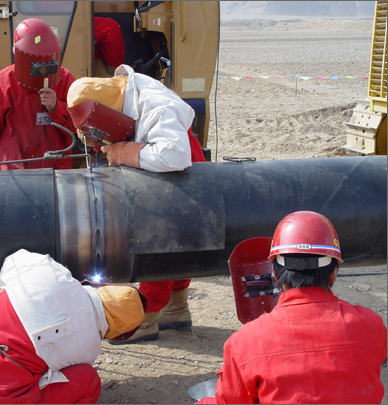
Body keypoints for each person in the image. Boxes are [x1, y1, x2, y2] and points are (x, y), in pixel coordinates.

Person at [66, 64, 206, 343]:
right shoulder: (124, 92)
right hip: (179, 170)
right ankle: (176, 307)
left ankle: (147, 316)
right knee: (179, 241)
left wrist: (123, 152)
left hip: (180, 169)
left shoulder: (156, 107)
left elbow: (174, 155)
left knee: (161, 240)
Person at [197, 211, 387, 404]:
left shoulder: (244, 343)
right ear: (333, 274)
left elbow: (229, 401)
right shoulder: (372, 325)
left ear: (276, 275)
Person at [0, 249, 146, 404]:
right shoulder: (88, 349)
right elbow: (49, 378)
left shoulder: (48, 270)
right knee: (89, 380)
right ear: (114, 334)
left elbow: (11, 262)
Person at [0, 18, 77, 171]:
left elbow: (78, 127)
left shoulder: (64, 79)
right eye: (38, 67)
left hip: (56, 171)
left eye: (48, 67)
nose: (43, 73)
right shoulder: (0, 84)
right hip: (16, 174)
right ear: (17, 53)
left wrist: (56, 107)